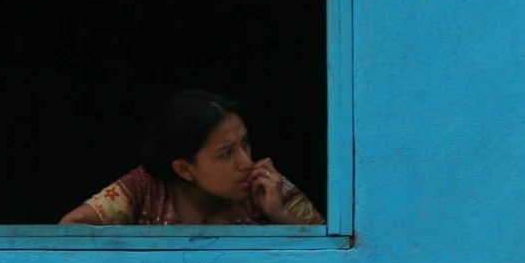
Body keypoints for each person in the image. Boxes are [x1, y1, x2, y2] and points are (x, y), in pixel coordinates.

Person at [59, 90, 325, 226]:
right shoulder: (145, 187)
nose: (246, 162)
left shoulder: (266, 187)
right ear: (184, 169)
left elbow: (336, 253)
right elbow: (72, 227)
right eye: (226, 154)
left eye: (245, 143)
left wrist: (279, 213)